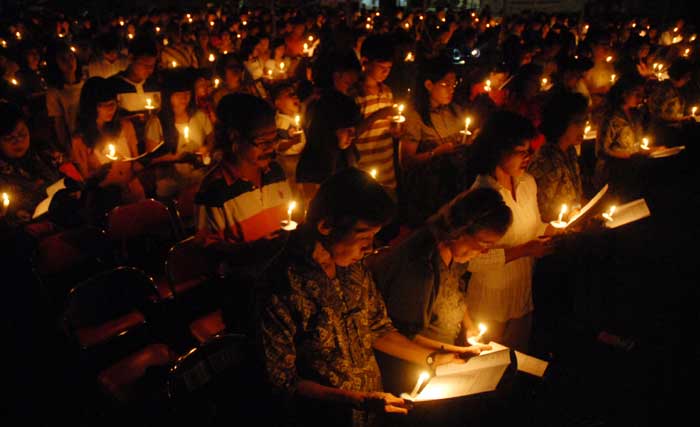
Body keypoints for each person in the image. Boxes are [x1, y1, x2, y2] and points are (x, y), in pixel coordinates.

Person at [258, 168, 478, 427]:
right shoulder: (280, 286)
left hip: (373, 411)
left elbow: (377, 329)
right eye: (363, 236)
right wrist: (356, 399)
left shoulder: (352, 266)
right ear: (326, 226)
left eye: (374, 236)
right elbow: (283, 381)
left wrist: (434, 358)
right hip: (325, 417)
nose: (369, 247)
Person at [464, 110, 558, 351]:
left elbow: (533, 226)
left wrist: (559, 227)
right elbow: (472, 261)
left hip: (522, 293)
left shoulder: (527, 183)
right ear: (498, 150)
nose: (528, 157)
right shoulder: (483, 194)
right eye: (521, 151)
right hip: (491, 302)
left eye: (530, 150)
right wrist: (525, 250)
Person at [372, 187, 511, 350]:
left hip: (445, 354)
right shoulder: (421, 266)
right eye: (483, 243)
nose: (484, 251)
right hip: (417, 358)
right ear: (461, 229)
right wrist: (458, 352)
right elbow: (401, 336)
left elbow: (453, 294)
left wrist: (469, 326)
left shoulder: (456, 254)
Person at [194, 93, 292, 249]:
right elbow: (208, 250)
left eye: (274, 140)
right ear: (235, 138)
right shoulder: (214, 190)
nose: (271, 148)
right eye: (263, 142)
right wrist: (255, 249)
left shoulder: (275, 172)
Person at [70, 76, 144, 205]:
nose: (110, 109)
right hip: (107, 200)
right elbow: (84, 180)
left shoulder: (125, 126)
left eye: (112, 104)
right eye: (103, 105)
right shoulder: (80, 140)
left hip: (134, 193)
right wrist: (100, 174)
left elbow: (136, 162)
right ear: (90, 107)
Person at [144, 68, 214, 199]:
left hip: (198, 181)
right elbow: (151, 159)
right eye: (178, 94)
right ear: (168, 96)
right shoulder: (157, 122)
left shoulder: (199, 116)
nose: (184, 98)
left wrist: (205, 149)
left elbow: (212, 140)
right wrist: (177, 157)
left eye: (187, 93)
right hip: (170, 186)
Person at [0, 101, 63, 227]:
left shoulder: (44, 152)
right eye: (9, 138)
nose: (18, 141)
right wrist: (13, 213)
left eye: (22, 134)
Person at [351, 34, 399, 197]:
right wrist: (379, 115)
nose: (386, 72)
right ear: (365, 62)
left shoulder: (387, 92)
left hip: (387, 172)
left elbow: (388, 127)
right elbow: (352, 134)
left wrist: (396, 131)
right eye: (381, 67)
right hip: (363, 172)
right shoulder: (354, 95)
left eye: (389, 68)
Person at [528, 91, 588, 222]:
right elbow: (540, 212)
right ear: (561, 123)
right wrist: (568, 216)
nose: (583, 128)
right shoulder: (545, 161)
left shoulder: (570, 151)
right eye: (577, 122)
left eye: (584, 121)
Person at [593, 75, 648, 191]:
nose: (640, 98)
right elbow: (601, 150)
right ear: (624, 93)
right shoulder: (610, 117)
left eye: (642, 94)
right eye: (636, 94)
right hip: (613, 175)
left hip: (632, 172)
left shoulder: (636, 115)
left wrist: (653, 150)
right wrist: (628, 156)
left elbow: (636, 144)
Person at [45, 41, 85, 153]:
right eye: (63, 59)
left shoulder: (86, 81)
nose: (69, 62)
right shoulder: (54, 92)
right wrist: (67, 146)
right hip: (76, 139)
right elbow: (59, 123)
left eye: (71, 56)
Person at [271, 82, 306, 197]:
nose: (295, 97)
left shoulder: (292, 118)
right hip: (288, 162)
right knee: (293, 187)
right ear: (278, 103)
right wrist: (293, 142)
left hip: (297, 159)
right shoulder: (281, 123)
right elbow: (279, 146)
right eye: (289, 95)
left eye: (295, 94)